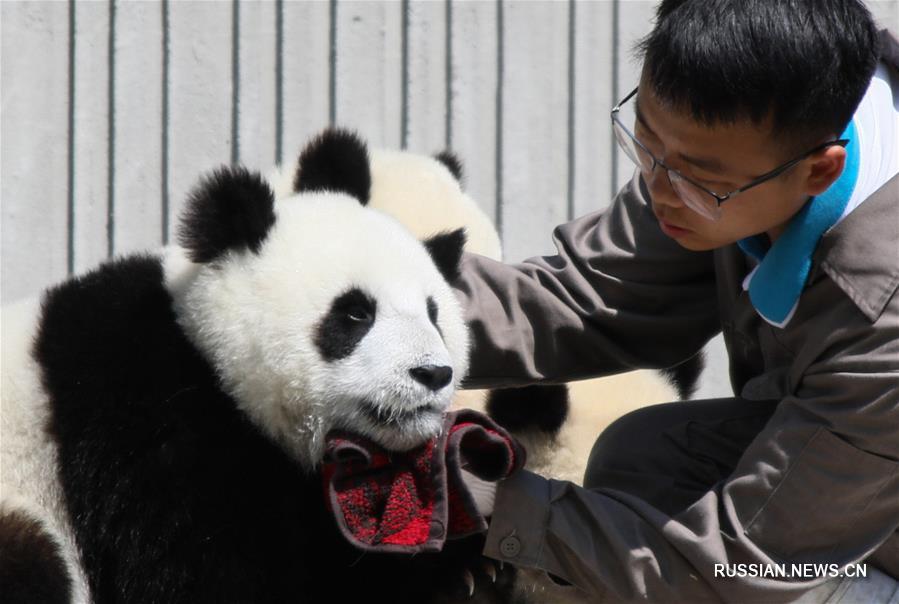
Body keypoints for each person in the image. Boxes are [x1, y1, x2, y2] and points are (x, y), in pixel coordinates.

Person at [454, 0, 899, 601]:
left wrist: (482, 503)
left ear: (820, 171)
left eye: (696, 176)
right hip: (864, 461)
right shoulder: (776, 127)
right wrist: (392, 317)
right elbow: (587, 296)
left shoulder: (881, 317)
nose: (658, 192)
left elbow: (746, 566)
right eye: (646, 142)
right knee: (647, 464)